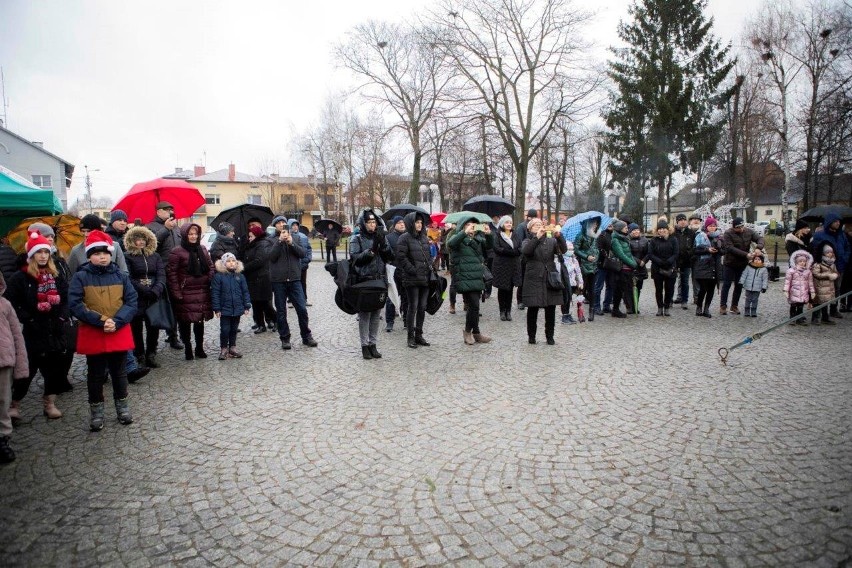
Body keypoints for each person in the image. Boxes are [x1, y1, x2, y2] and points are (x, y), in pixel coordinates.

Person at [68, 230, 137, 431]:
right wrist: (100, 320)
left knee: (119, 372)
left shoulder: (121, 276)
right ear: (89, 255)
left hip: (118, 328)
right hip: (93, 330)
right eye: (97, 253)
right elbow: (75, 303)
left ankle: (122, 408)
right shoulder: (81, 277)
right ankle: (96, 412)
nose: (102, 256)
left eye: (105, 253)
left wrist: (117, 320)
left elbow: (131, 301)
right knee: (96, 374)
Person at [4, 232, 70, 421]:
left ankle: (49, 403)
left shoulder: (55, 275)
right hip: (32, 332)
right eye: (39, 252)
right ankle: (15, 404)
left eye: (46, 252)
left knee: (54, 370)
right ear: (31, 255)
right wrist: (29, 319)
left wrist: (62, 317)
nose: (43, 255)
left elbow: (65, 299)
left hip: (54, 329)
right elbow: (11, 304)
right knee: (26, 371)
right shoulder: (20, 278)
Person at [349, 210, 394, 358]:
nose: (372, 225)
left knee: (376, 313)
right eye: (369, 222)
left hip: (380, 279)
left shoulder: (381, 238)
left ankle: (373, 344)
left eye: (374, 222)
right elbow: (356, 259)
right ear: (363, 223)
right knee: (365, 315)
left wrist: (383, 245)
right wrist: (373, 249)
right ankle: (364, 345)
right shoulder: (356, 239)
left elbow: (390, 257)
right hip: (365, 280)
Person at [268, 216, 317, 350]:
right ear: (275, 226)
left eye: (283, 222)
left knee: (302, 309)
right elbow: (271, 257)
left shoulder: (296, 237)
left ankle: (306, 336)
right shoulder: (270, 239)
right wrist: (279, 241)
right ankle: (285, 338)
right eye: (278, 223)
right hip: (279, 281)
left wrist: (291, 243)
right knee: (281, 311)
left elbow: (302, 253)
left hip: (295, 279)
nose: (281, 225)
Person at [167, 223, 214, 360]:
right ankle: (188, 347)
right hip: (185, 292)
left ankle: (199, 347)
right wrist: (176, 292)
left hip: (202, 290)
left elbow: (210, 266)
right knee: (185, 322)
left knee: (200, 321)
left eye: (195, 234)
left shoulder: (203, 249)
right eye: (190, 234)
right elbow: (172, 274)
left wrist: (210, 277)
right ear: (185, 235)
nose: (193, 236)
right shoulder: (177, 251)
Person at [123, 226, 165, 368]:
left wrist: (156, 290)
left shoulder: (155, 256)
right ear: (132, 241)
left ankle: (151, 353)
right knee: (136, 328)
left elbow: (161, 275)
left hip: (154, 295)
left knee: (153, 326)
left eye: (143, 239)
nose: (140, 242)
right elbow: (128, 277)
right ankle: (139, 354)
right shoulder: (127, 256)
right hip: (137, 297)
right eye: (137, 239)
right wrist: (143, 290)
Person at [447, 217, 493, 345]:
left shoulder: (478, 239)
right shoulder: (457, 238)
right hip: (464, 276)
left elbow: (490, 246)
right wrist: (464, 232)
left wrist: (489, 235)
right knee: (474, 305)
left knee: (475, 307)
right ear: (462, 226)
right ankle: (467, 332)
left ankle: (476, 333)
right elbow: (450, 244)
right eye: (468, 224)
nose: (471, 227)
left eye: (473, 225)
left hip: (477, 276)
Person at [520, 219, 568, 344]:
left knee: (551, 308)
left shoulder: (551, 240)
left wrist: (559, 236)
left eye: (541, 225)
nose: (539, 227)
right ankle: (532, 336)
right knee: (533, 308)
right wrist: (537, 238)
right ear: (530, 229)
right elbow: (526, 252)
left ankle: (550, 336)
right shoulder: (527, 241)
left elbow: (563, 250)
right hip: (534, 277)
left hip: (549, 276)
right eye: (536, 225)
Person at [146, 201, 183, 350]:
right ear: (158, 212)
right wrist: (165, 229)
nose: (170, 212)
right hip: (161, 273)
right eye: (166, 210)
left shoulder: (176, 227)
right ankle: (169, 336)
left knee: (176, 305)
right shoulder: (150, 227)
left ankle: (174, 335)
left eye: (171, 209)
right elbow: (151, 247)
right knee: (164, 305)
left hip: (178, 272)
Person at [0, 272, 28, 463]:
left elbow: (17, 336)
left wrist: (21, 364)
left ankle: (3, 437)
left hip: (3, 360)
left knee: (3, 400)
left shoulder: (4, 304)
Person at [395, 212, 432, 349]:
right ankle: (410, 336)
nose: (419, 225)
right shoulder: (404, 238)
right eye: (417, 222)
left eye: (421, 223)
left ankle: (419, 334)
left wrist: (429, 267)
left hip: (424, 278)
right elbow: (401, 257)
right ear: (411, 223)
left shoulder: (424, 238)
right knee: (413, 307)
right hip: (411, 279)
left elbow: (428, 255)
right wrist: (412, 270)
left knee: (422, 308)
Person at [719, 216, 764, 315]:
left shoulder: (748, 232)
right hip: (729, 263)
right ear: (734, 227)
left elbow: (759, 238)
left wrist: (758, 247)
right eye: (739, 227)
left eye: (742, 226)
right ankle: (723, 306)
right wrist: (746, 255)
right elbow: (730, 248)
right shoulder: (728, 233)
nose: (741, 229)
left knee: (739, 285)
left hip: (742, 263)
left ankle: (734, 306)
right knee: (726, 285)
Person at [212, 252, 252, 360]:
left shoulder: (240, 276)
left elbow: (245, 291)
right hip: (225, 308)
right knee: (225, 329)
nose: (231, 263)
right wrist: (217, 308)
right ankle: (224, 348)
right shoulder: (218, 277)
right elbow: (215, 293)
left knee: (234, 329)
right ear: (224, 263)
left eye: (233, 261)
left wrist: (246, 305)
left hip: (237, 308)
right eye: (228, 261)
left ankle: (232, 347)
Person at [810, 212, 849, 319]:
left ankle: (833, 309)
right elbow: (815, 250)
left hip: (839, 266)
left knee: (836, 289)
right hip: (824, 267)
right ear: (829, 222)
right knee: (822, 289)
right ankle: (820, 312)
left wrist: (844, 259)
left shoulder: (841, 235)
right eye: (835, 221)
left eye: (839, 221)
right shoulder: (819, 235)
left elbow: (847, 248)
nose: (838, 223)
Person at [242, 225, 277, 334]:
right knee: (256, 304)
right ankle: (261, 325)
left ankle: (277, 321)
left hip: (262, 279)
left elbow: (259, 260)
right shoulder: (251, 245)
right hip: (253, 278)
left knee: (265, 304)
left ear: (257, 235)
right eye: (249, 236)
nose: (249, 238)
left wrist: (244, 267)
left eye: (251, 236)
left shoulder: (263, 244)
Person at [491, 215, 522, 322]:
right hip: (501, 266)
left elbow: (519, 248)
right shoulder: (498, 235)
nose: (509, 224)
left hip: (513, 265)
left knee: (510, 289)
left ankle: (508, 311)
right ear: (502, 224)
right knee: (502, 289)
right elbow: (497, 248)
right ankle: (502, 311)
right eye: (506, 222)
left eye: (510, 222)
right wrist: (510, 252)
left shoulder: (516, 234)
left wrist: (512, 251)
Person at [692, 216, 723, 318]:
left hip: (715, 265)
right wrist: (707, 250)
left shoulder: (719, 237)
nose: (712, 228)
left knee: (711, 289)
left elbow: (724, 250)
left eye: (714, 226)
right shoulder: (700, 236)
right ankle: (699, 306)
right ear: (706, 226)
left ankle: (706, 308)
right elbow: (695, 250)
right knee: (703, 288)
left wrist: (719, 249)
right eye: (710, 226)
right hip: (703, 265)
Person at [648, 219, 679, 317]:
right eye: (659, 229)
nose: (662, 230)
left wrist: (669, 261)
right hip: (657, 268)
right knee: (659, 289)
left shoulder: (673, 239)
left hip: (670, 267)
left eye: (663, 228)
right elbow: (650, 254)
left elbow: (676, 253)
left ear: (667, 229)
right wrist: (660, 262)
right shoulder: (653, 240)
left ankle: (666, 307)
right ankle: (660, 307)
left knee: (669, 289)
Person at [609, 220, 638, 318]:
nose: (627, 229)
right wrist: (633, 264)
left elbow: (628, 253)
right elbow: (621, 254)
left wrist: (632, 262)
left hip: (627, 268)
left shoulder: (624, 238)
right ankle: (615, 310)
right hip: (621, 269)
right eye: (625, 228)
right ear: (619, 229)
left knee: (622, 290)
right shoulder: (616, 240)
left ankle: (624, 308)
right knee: (618, 290)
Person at [573, 217, 600, 322]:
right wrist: (586, 256)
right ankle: (580, 312)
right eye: (593, 224)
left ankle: (591, 311)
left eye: (596, 224)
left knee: (592, 289)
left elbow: (597, 249)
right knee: (582, 290)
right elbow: (576, 249)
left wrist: (596, 257)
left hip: (594, 266)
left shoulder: (596, 236)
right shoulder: (581, 236)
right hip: (583, 266)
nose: (595, 226)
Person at [384, 216, 407, 332]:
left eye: (403, 222)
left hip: (406, 271)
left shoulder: (409, 236)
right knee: (391, 297)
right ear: (395, 225)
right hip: (394, 270)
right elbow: (386, 254)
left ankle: (407, 321)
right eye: (399, 222)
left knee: (406, 297)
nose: (402, 224)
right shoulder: (388, 237)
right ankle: (389, 322)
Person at [514, 208, 538, 310]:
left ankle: (531, 299)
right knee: (522, 280)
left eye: (534, 217)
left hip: (535, 257)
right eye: (531, 217)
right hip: (523, 258)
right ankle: (520, 301)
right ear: (527, 217)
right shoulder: (521, 227)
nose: (532, 219)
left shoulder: (537, 227)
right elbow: (519, 243)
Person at [785, 250, 815, 326]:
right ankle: (792, 318)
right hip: (794, 292)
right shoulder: (791, 271)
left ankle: (799, 319)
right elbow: (787, 282)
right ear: (796, 262)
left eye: (804, 261)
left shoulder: (808, 272)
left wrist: (812, 292)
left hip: (803, 292)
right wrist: (786, 290)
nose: (802, 262)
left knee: (800, 307)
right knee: (793, 305)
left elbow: (810, 283)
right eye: (800, 261)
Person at [810, 245, 839, 326]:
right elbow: (816, 274)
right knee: (818, 303)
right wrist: (828, 275)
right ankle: (815, 318)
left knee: (826, 303)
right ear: (823, 253)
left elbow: (836, 272)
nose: (830, 254)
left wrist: (835, 275)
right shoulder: (818, 263)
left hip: (829, 287)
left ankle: (825, 317)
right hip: (820, 287)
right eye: (827, 252)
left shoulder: (832, 263)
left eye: (831, 252)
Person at [672, 214, 694, 308]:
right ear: (677, 222)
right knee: (671, 281)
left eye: (684, 219)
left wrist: (690, 253)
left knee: (685, 282)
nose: (683, 221)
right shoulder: (672, 232)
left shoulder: (691, 232)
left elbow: (694, 245)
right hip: (674, 260)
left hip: (687, 260)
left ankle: (684, 300)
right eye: (680, 220)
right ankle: (669, 300)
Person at [289, 220, 313, 306]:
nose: (295, 227)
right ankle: (291, 300)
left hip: (303, 264)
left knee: (303, 283)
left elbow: (309, 248)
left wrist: (308, 259)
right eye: (293, 225)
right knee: (292, 283)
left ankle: (304, 299)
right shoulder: (288, 237)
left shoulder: (303, 236)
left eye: (296, 225)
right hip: (293, 265)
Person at [627, 223, 649, 314]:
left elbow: (648, 252)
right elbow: (628, 253)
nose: (636, 232)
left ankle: (636, 305)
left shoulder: (644, 240)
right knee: (630, 288)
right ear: (630, 232)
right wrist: (638, 261)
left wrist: (644, 261)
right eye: (634, 230)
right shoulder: (627, 241)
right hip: (631, 267)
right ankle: (630, 306)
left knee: (638, 287)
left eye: (637, 230)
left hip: (641, 268)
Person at [739, 251, 768, 318]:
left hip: (757, 288)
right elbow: (744, 275)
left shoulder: (764, 269)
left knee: (755, 299)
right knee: (748, 299)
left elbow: (765, 279)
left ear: (762, 261)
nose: (757, 261)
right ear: (753, 260)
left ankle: (753, 311)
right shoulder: (748, 267)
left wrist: (764, 287)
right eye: (755, 259)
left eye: (759, 259)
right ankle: (746, 310)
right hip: (748, 287)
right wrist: (741, 282)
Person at [559, 241, 583, 324]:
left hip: (573, 283)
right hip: (565, 283)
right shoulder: (561, 260)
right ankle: (564, 315)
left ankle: (569, 314)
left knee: (571, 300)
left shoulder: (574, 259)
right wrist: (573, 266)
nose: (571, 251)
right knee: (565, 300)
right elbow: (565, 271)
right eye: (569, 249)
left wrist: (581, 282)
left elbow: (578, 271)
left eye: (572, 249)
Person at [593, 222, 615, 314]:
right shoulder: (601, 235)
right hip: (601, 264)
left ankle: (606, 305)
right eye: (608, 223)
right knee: (598, 287)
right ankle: (596, 306)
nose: (610, 225)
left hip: (611, 265)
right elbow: (598, 248)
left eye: (612, 224)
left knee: (610, 286)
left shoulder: (614, 235)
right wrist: (605, 253)